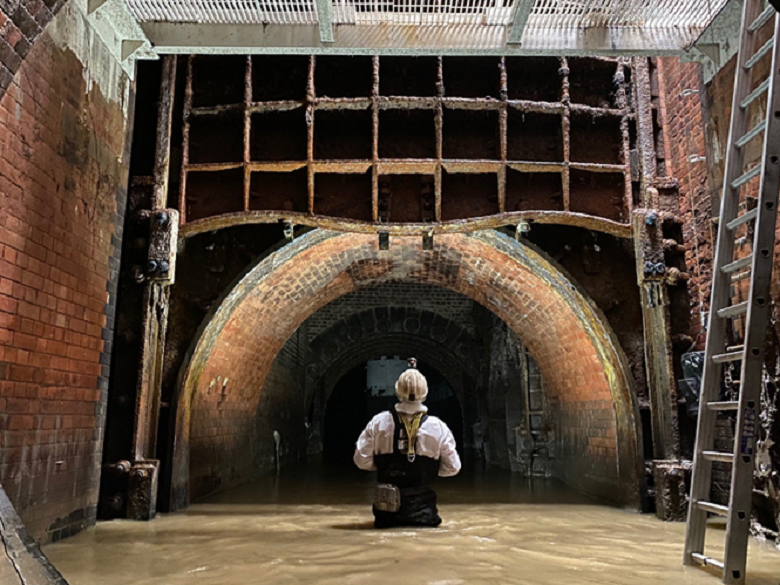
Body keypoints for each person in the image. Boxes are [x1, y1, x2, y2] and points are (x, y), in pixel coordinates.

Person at [353, 364, 461, 528]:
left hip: (386, 515)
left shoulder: (378, 423)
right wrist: (429, 470)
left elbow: (361, 461)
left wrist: (384, 466)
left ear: (397, 392)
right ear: (425, 394)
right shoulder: (438, 427)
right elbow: (453, 467)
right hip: (424, 515)